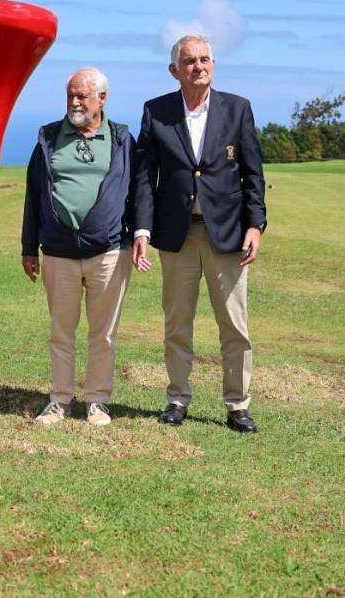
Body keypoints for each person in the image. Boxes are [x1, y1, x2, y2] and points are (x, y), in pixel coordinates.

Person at [132, 34, 267, 433]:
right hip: (176, 235)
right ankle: (177, 399)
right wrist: (142, 226)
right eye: (189, 61)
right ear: (175, 70)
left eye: (205, 59)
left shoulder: (237, 109)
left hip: (227, 234)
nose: (198, 66)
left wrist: (255, 225)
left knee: (235, 326)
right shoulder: (156, 111)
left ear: (214, 64)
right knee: (177, 324)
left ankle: (238, 405)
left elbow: (253, 173)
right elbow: (144, 177)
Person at [21, 68, 135, 427]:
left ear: (102, 99)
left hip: (109, 252)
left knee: (103, 333)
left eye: (82, 96)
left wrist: (141, 234)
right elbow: (34, 192)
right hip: (57, 252)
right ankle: (59, 400)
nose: (74, 102)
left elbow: (138, 190)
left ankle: (97, 402)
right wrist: (29, 246)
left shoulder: (121, 139)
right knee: (61, 331)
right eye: (70, 94)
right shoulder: (50, 137)